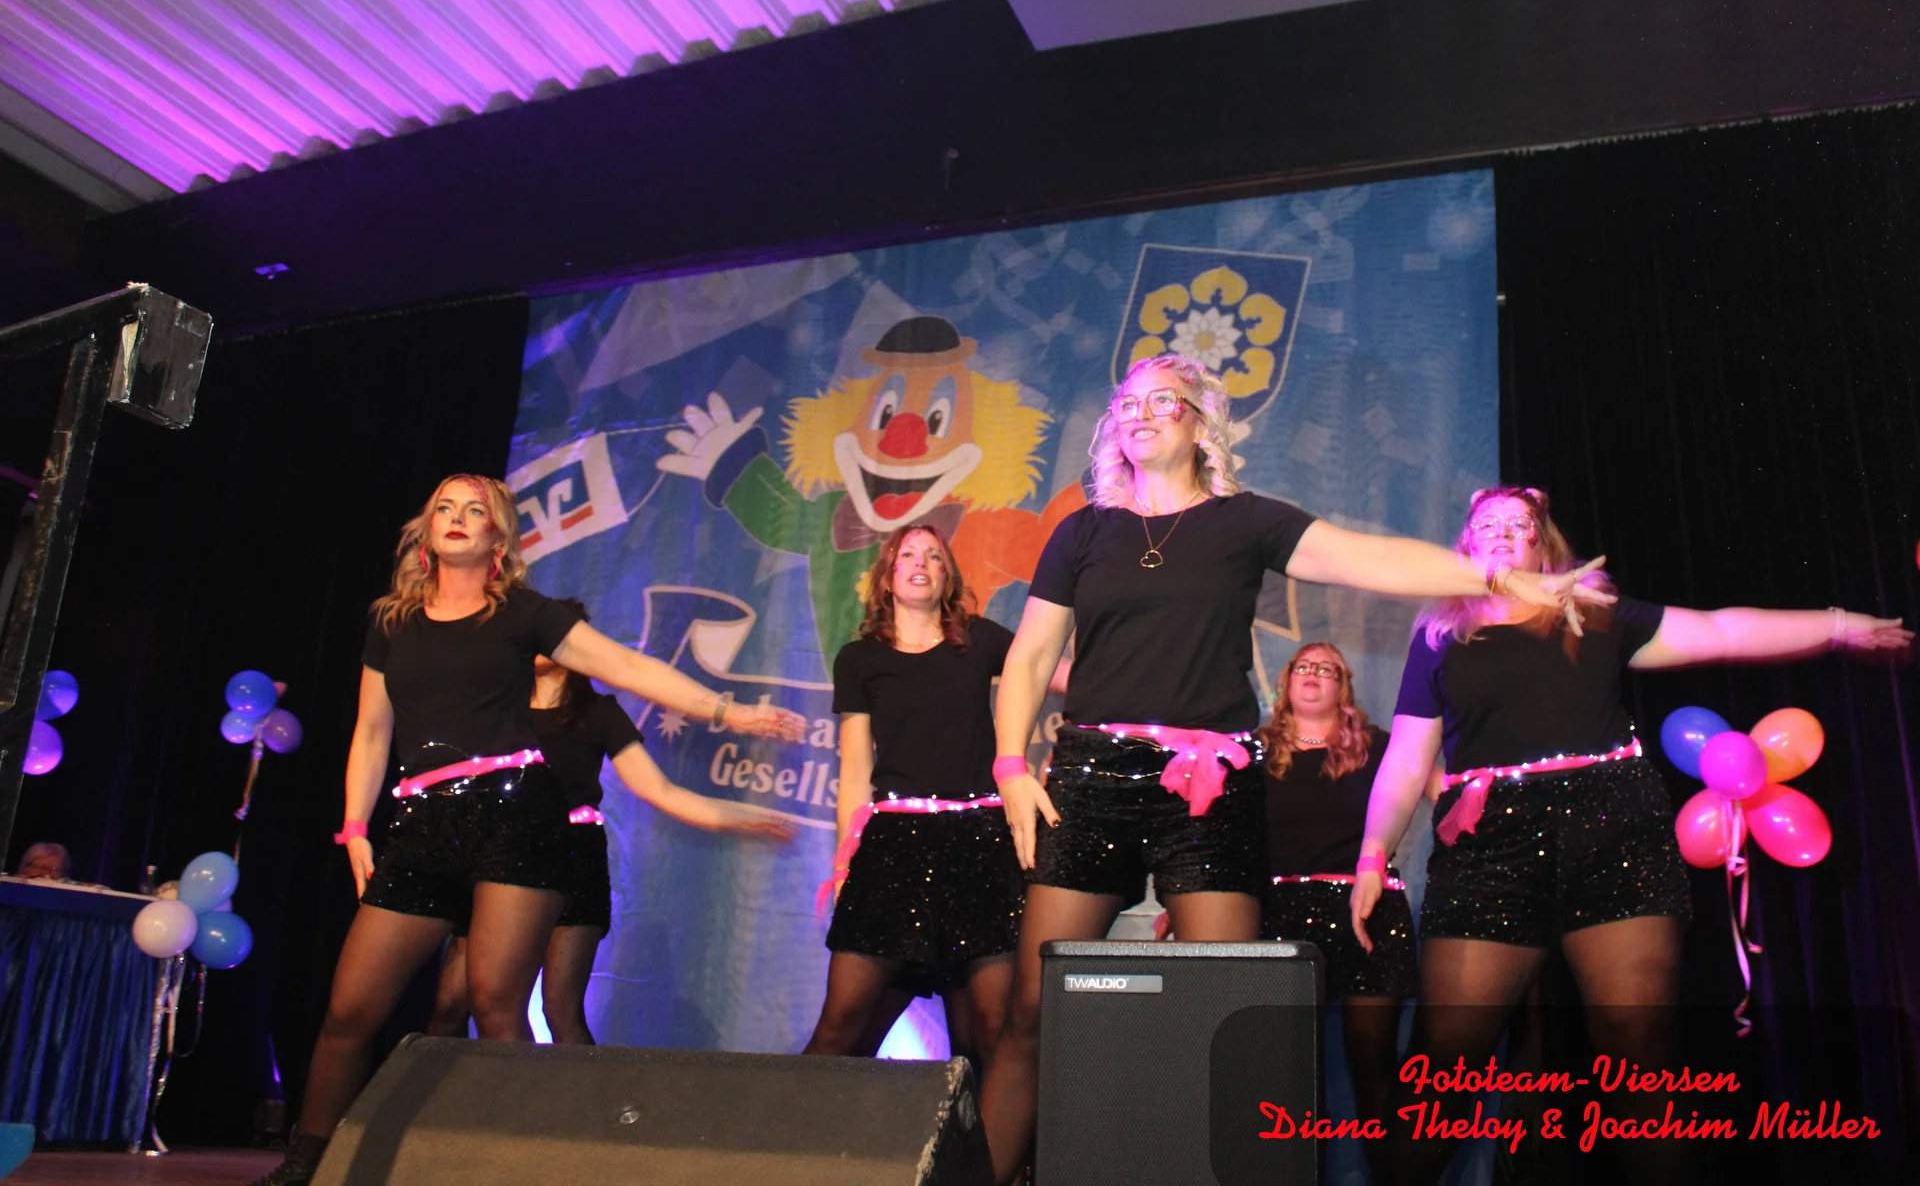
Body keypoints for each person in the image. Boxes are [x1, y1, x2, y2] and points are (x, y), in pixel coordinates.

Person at [980, 354, 1609, 1184]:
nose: (1140, 413)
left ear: (1201, 423)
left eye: (1163, 400)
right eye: (1127, 403)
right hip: (1093, 778)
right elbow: (1030, 658)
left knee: (1227, 1017)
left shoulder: (1245, 521)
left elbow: (1370, 560)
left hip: (1207, 787)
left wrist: (1498, 574)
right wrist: (1011, 764)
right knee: (1033, 1010)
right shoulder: (1083, 532)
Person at [1348, 486, 1911, 1184]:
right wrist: (1373, 856)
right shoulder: (1439, 633)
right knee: (1447, 1058)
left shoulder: (1596, 614)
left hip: (1613, 830)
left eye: (1518, 523)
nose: (1501, 532)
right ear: (1466, 545)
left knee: (1640, 1047)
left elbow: (1722, 630)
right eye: (1485, 524)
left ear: (1543, 542)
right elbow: (1407, 762)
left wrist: (1839, 625)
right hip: (1491, 849)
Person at [252, 474, 804, 1186]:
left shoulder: (524, 614)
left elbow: (625, 665)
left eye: (474, 510)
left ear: (498, 539)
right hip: (422, 823)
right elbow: (371, 732)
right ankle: (305, 1166)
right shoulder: (391, 623)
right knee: (349, 1010)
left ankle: (524, 1165)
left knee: (496, 1003)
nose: (456, 517)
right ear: (426, 533)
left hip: (516, 816)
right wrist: (355, 827)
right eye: (444, 509)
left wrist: (729, 712)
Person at [425, 598, 794, 1046]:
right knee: (452, 1002)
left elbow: (661, 791)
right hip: (499, 857)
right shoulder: (501, 710)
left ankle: (564, 1096)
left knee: (559, 1009)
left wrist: (745, 819)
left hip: (571, 859)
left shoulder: (597, 713)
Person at [804, 522, 1056, 1072]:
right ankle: (799, 1128)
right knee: (841, 1025)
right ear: (887, 576)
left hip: (981, 844)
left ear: (948, 577)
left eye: (934, 556)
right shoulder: (859, 659)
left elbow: (1051, 671)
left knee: (990, 1027)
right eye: (908, 555)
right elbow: (855, 771)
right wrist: (845, 862)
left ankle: (989, 1132)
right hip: (894, 847)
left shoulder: (981, 639)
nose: (921, 562)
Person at [1258, 642, 1413, 1136]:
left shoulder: (1379, 746)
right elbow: (1230, 837)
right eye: (1304, 666)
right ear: (1286, 681)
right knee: (1285, 1078)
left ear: (1343, 687)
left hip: (1366, 910)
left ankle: (1389, 1167)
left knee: (1374, 1069)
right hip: (1280, 914)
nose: (1314, 673)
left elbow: (1437, 789)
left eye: (1327, 669)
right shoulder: (1256, 751)